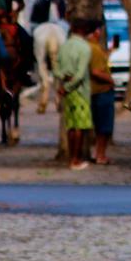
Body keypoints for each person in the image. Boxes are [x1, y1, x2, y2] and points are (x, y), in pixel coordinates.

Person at [55, 20, 95, 170]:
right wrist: (68, 87)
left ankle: (71, 158)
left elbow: (56, 69)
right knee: (79, 127)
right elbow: (80, 74)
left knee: (71, 126)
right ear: (84, 31)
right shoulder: (85, 47)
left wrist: (64, 81)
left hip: (67, 91)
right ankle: (75, 160)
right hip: (80, 91)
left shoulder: (64, 46)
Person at [86, 18, 117, 166]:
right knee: (104, 127)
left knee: (97, 125)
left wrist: (110, 50)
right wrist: (111, 81)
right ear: (95, 33)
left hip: (93, 91)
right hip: (102, 90)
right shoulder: (95, 49)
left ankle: (97, 153)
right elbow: (96, 71)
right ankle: (100, 155)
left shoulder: (89, 47)